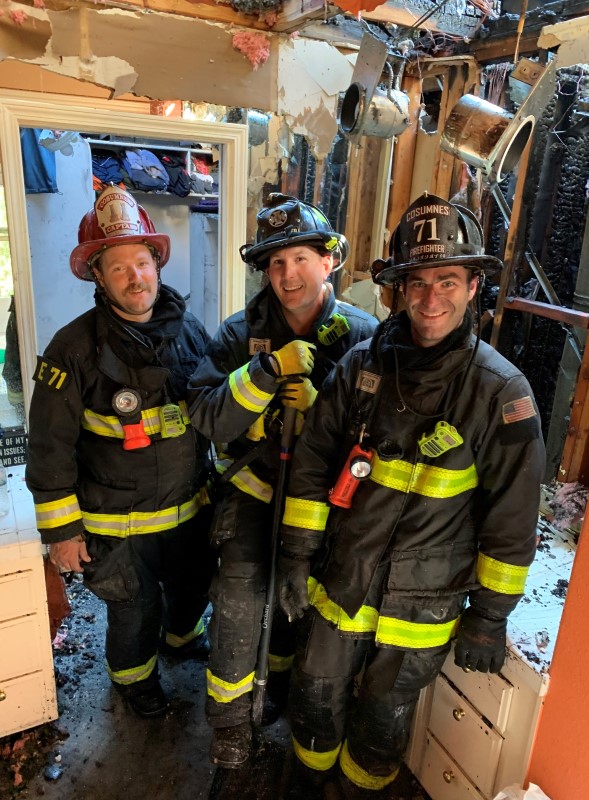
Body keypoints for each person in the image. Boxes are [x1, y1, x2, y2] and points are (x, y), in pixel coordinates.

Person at [276, 191, 546, 798]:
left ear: (473, 286)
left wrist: (489, 618)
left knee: (381, 722)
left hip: (423, 604)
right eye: (417, 282)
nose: (430, 299)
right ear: (398, 288)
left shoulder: (502, 394)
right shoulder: (361, 367)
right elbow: (316, 462)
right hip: (342, 581)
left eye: (447, 280)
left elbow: (512, 518)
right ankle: (305, 786)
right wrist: (296, 554)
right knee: (314, 698)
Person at [187, 193, 378, 768]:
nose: (287, 275)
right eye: (275, 263)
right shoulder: (238, 334)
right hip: (254, 490)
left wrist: (324, 411)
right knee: (241, 601)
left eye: (299, 258)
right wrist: (265, 375)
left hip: (323, 505)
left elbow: (382, 432)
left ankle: (294, 697)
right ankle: (230, 723)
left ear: (328, 261)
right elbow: (205, 415)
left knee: (308, 604)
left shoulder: (364, 337)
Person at [25, 185, 214, 718]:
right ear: (99, 279)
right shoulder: (73, 349)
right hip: (116, 527)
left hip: (185, 513)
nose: (136, 277)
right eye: (118, 267)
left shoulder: (189, 330)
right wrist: (62, 533)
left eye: (142, 261)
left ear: (157, 264)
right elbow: (48, 446)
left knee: (192, 587)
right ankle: (134, 681)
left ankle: (181, 642)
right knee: (134, 609)